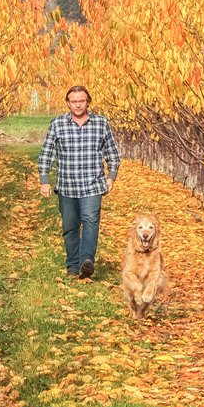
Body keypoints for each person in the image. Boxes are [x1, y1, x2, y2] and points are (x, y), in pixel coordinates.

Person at [37, 85, 121, 279]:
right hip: (67, 185)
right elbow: (46, 154)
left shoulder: (101, 123)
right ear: (68, 103)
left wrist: (111, 177)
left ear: (88, 102)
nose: (78, 105)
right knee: (70, 227)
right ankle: (73, 266)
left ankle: (86, 261)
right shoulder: (57, 124)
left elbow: (113, 154)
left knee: (91, 221)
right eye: (74, 101)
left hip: (92, 185)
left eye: (81, 101)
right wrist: (44, 181)